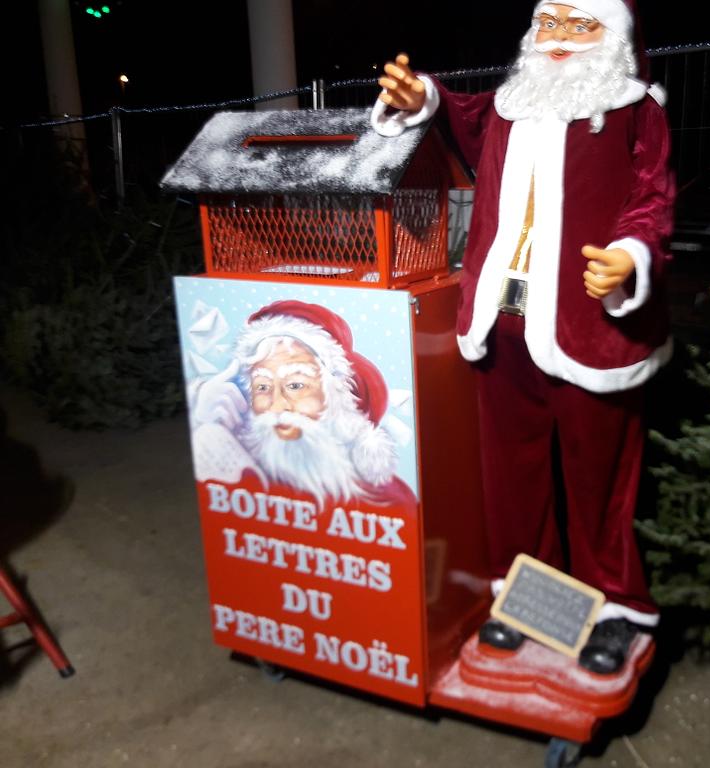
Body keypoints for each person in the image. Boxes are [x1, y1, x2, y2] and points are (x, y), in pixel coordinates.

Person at [372, 0, 674, 674]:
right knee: (513, 479)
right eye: (551, 23)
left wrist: (631, 256)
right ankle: (535, 604)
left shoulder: (634, 110)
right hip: (502, 324)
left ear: (613, 36)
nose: (561, 37)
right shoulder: (512, 104)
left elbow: (653, 199)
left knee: (600, 485)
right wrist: (422, 97)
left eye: (581, 24)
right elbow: (461, 113)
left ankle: (617, 610)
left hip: (590, 327)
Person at [189, 300, 413, 509]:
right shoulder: (236, 463)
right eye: (263, 387)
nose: (277, 407)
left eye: (295, 385)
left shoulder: (387, 499)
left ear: (335, 396)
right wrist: (205, 425)